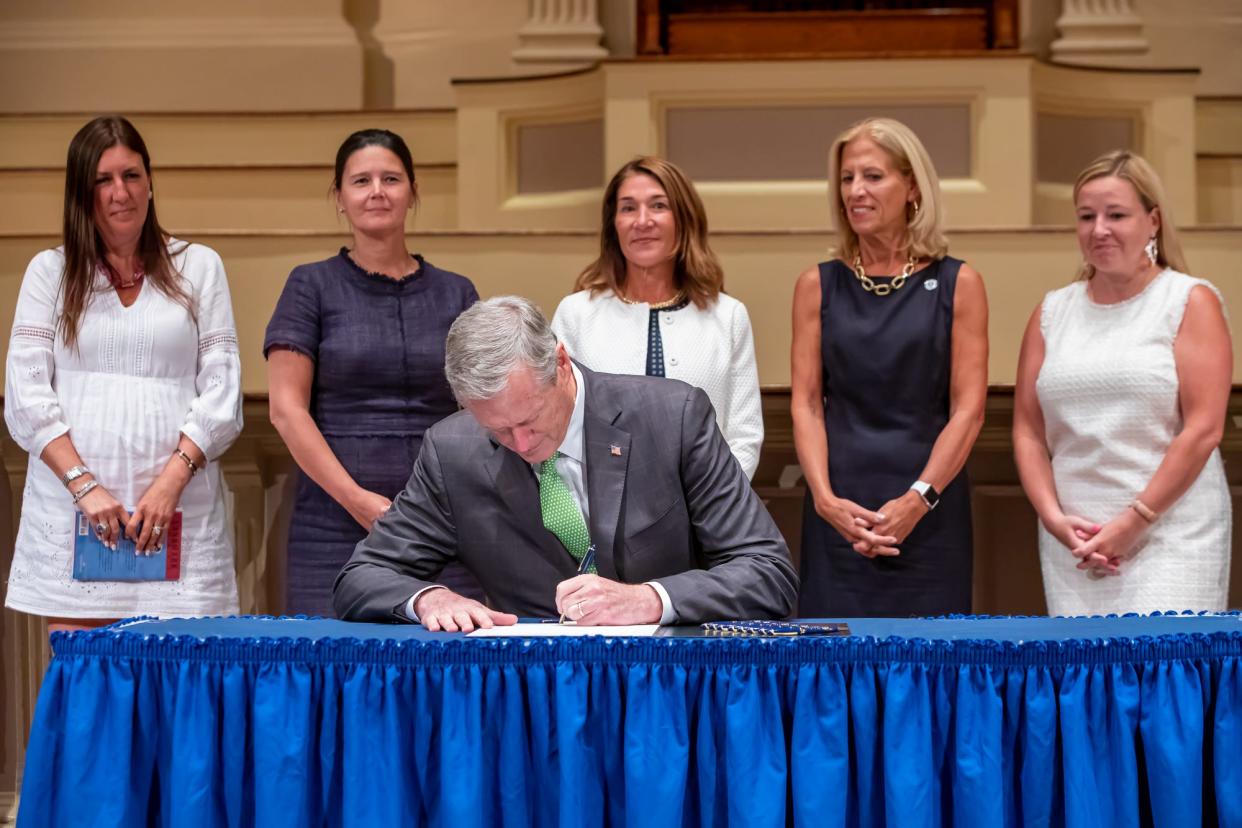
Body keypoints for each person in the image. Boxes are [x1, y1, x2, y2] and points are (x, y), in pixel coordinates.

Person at [333, 296, 797, 630]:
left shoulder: (672, 418)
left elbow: (767, 573)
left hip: (670, 685)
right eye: (498, 430)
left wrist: (649, 599)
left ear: (559, 361)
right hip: (528, 695)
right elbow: (361, 578)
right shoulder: (452, 451)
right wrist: (427, 597)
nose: (521, 443)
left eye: (531, 419)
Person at [4, 115, 242, 631]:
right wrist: (84, 486)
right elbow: (26, 397)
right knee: (87, 696)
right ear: (81, 193)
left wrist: (169, 483)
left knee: (183, 694)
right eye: (103, 180)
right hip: (77, 515)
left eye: (132, 175)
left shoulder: (199, 266)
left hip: (181, 513)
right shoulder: (49, 272)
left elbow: (222, 394)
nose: (121, 192)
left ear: (150, 182)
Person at [265, 129, 481, 617]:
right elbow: (285, 410)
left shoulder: (457, 293)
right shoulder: (309, 285)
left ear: (412, 191)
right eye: (361, 180)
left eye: (391, 178)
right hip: (332, 519)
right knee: (331, 671)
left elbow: (482, 409)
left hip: (444, 520)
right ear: (339, 197)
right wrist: (357, 500)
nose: (377, 191)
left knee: (448, 666)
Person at [1013, 150, 1232, 615]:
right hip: (1076, 539)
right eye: (1086, 216)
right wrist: (1054, 519)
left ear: (1152, 221)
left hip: (1170, 531)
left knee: (1161, 675)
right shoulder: (1052, 313)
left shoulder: (1188, 301)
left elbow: (1203, 430)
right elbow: (1028, 432)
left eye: (1116, 215)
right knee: (1085, 681)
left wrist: (1135, 521)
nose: (1099, 229)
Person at [791, 117, 988, 618]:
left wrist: (918, 500)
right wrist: (824, 499)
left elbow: (968, 410)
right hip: (839, 517)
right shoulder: (817, 284)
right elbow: (808, 404)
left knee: (932, 670)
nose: (856, 191)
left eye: (873, 177)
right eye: (847, 178)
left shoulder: (959, 283)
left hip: (929, 512)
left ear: (913, 188)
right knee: (832, 673)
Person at [551, 157, 763, 479]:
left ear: (684, 219)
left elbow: (744, 435)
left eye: (658, 206)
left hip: (708, 513)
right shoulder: (576, 313)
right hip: (601, 512)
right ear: (613, 224)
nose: (643, 221)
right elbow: (558, 423)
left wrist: (716, 509)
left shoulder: (729, 316)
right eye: (628, 208)